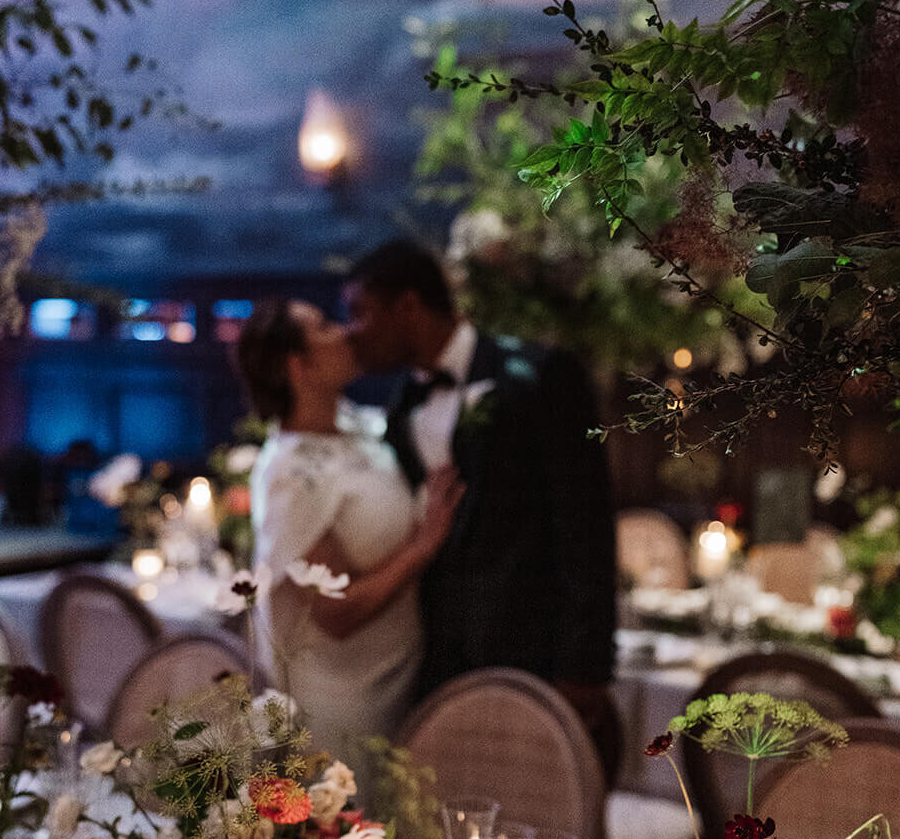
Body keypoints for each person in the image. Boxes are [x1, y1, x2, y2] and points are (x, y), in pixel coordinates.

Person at [344, 239, 620, 782]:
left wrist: (586, 667)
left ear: (407, 306)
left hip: (532, 653)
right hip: (437, 661)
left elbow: (587, 528)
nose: (353, 329)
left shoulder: (542, 376)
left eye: (361, 311)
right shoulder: (403, 402)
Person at [236, 299, 462, 758]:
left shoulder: (362, 425)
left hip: (400, 678)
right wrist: (423, 548)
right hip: (340, 702)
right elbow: (334, 612)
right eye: (324, 327)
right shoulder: (290, 472)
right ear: (298, 366)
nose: (345, 333)